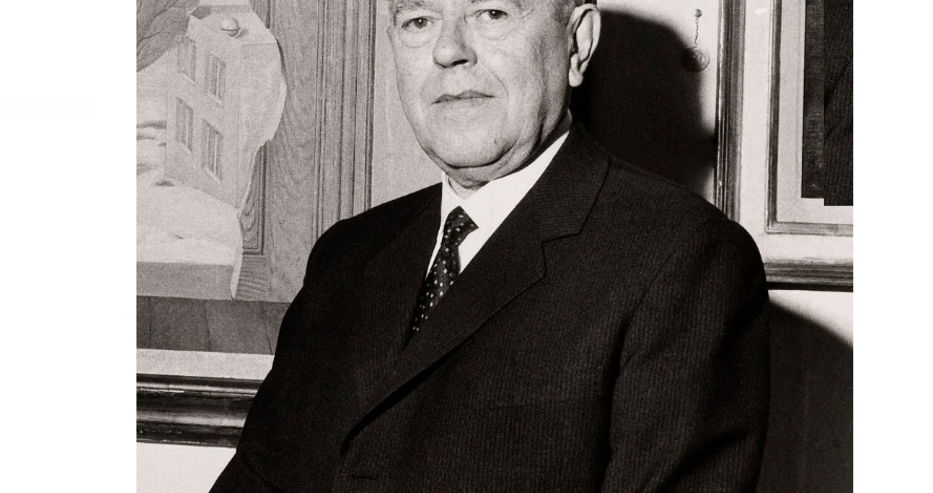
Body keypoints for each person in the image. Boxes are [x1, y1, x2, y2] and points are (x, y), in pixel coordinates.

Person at [212, 0, 770, 490]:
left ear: (577, 44)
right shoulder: (347, 254)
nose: (448, 51)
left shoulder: (683, 258)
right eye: (418, 20)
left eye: (492, 13)